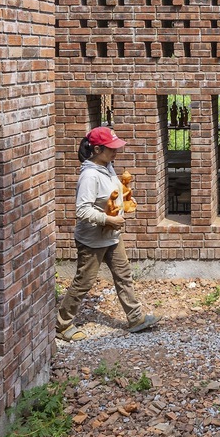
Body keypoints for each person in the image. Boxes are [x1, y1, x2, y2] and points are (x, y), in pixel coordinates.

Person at [56, 126, 159, 341]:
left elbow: (111, 195)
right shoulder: (89, 175)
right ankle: (62, 324)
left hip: (111, 235)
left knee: (124, 275)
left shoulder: (107, 166)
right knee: (84, 282)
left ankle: (136, 317)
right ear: (96, 149)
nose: (115, 152)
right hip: (92, 239)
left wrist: (126, 201)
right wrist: (109, 219)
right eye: (111, 149)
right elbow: (82, 210)